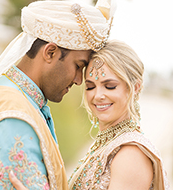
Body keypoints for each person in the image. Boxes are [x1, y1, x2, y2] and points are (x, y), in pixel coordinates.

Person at [0, 0, 116, 190]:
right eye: (78, 65)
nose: (78, 80)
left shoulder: (12, 96)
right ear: (50, 52)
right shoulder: (14, 116)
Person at [9, 40, 170, 189]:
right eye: (91, 87)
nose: (98, 95)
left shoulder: (131, 154)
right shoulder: (107, 144)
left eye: (110, 86)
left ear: (134, 88)